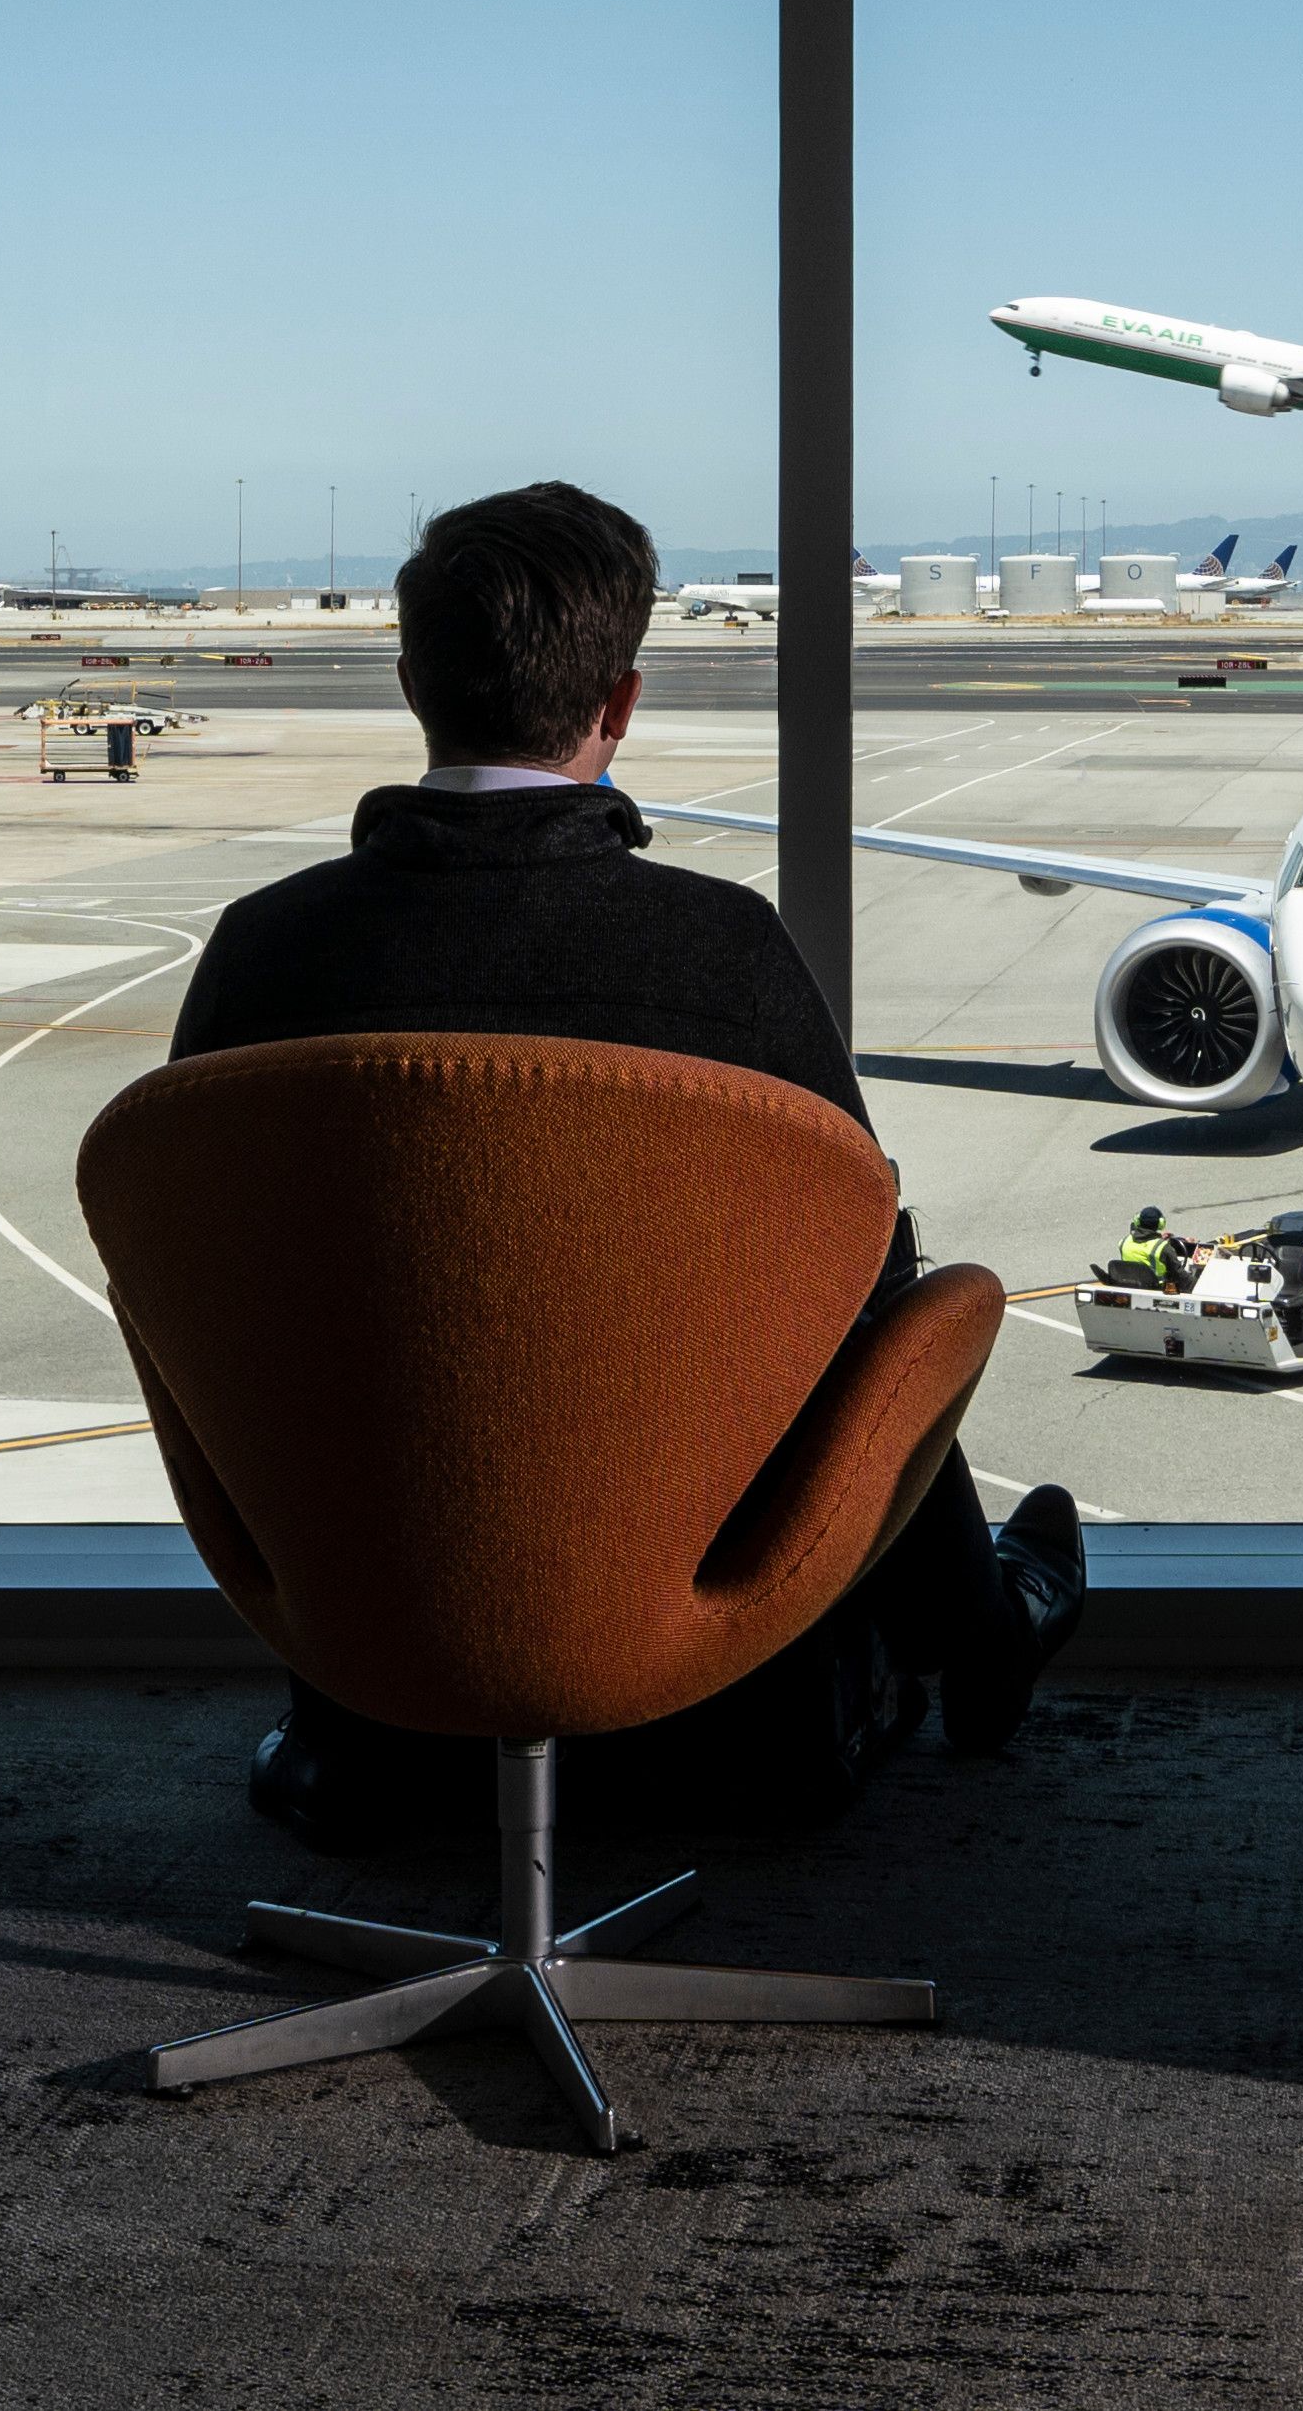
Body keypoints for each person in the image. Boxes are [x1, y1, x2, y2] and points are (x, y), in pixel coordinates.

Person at [166, 479, 1084, 1847]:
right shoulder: (722, 954)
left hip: (372, 1694)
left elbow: (193, 1270)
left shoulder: (264, 952)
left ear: (413, 680)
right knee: (888, 1311)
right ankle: (986, 1641)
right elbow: (864, 1281)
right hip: (704, 1705)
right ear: (624, 700)